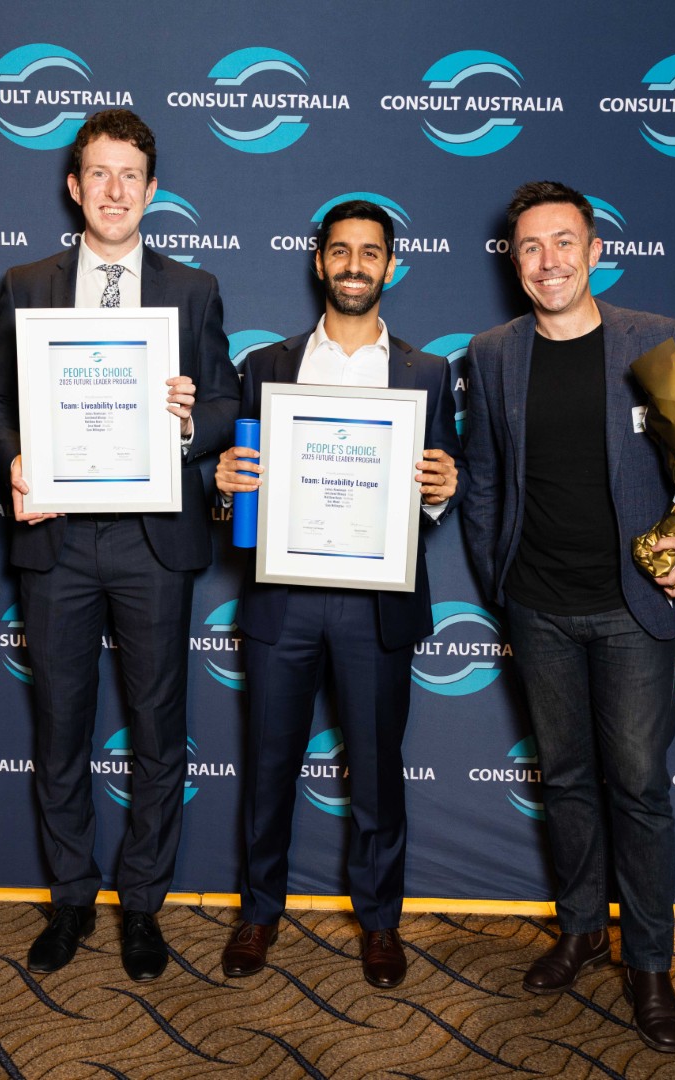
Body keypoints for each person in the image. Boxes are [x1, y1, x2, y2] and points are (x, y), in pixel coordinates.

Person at [461, 181, 675, 1052]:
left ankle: (648, 964)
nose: (547, 261)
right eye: (529, 246)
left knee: (639, 788)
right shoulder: (492, 353)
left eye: (562, 242)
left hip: (630, 607)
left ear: (593, 250)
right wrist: (498, 579)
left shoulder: (655, 338)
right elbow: (482, 478)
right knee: (567, 780)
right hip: (536, 606)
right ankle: (581, 930)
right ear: (513, 260)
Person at [0, 110, 240, 982]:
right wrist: (15, 460)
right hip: (55, 536)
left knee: (158, 730)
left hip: (149, 538)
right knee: (60, 727)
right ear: (74, 186)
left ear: (152, 190)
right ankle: (70, 898)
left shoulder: (193, 289)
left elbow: (224, 404)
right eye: (99, 173)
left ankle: (141, 904)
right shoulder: (26, 284)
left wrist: (184, 424)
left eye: (130, 174)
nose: (114, 190)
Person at [213, 200, 460, 989]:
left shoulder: (427, 372)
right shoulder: (266, 366)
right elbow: (240, 487)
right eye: (341, 251)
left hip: (376, 603)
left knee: (377, 773)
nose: (355, 265)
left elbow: (438, 483)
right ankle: (258, 913)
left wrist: (443, 488)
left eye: (370, 252)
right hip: (283, 598)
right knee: (268, 766)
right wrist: (224, 486)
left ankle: (380, 923)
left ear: (391, 266)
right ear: (319, 261)